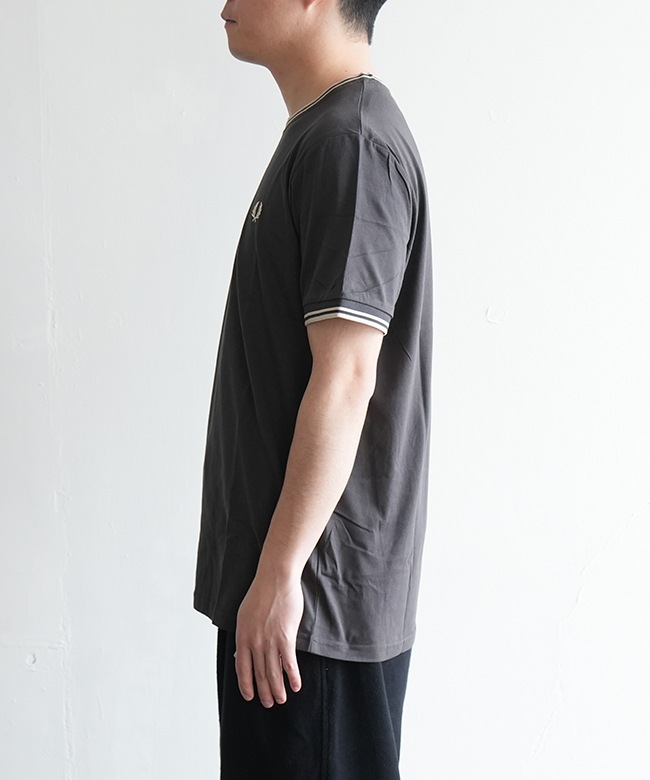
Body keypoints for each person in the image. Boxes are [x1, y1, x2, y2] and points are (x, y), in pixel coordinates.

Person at [193, 0, 433, 776]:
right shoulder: (324, 134)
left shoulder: (351, 143)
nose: (225, 4)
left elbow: (348, 374)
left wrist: (280, 573)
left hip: (310, 609)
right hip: (292, 602)